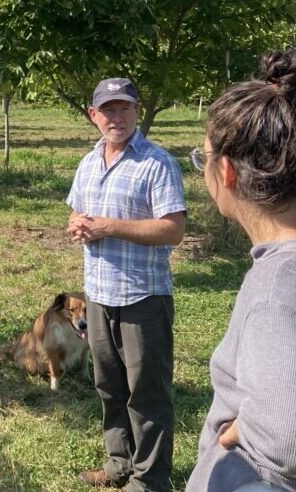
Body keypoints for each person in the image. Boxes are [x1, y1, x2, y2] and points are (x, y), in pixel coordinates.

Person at [66, 77, 186, 491]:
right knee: (109, 387)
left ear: (137, 110)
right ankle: (119, 465)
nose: (116, 117)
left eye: (124, 108)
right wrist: (79, 226)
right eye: (108, 110)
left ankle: (151, 480)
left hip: (142, 296)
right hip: (98, 296)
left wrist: (108, 227)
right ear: (93, 115)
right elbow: (79, 215)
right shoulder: (88, 163)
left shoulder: (157, 162)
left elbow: (172, 230)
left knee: (147, 394)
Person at [186, 49, 296, 492]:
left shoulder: (274, 290)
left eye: (203, 158)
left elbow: (286, 438)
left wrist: (237, 431)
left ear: (226, 171)